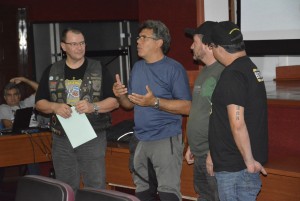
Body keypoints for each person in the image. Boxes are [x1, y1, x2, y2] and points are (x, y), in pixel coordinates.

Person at [113, 20, 191, 201]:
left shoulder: (174, 69)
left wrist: (154, 102)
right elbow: (129, 104)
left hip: (166, 138)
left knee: (167, 193)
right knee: (142, 192)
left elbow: (187, 107)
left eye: (143, 37)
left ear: (159, 42)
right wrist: (120, 95)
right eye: (138, 37)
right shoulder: (137, 68)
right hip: (140, 139)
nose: (138, 41)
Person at [35, 27, 119, 192]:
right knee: (65, 187)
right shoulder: (52, 70)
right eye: (74, 44)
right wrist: (54, 106)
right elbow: (39, 103)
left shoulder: (99, 68)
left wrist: (93, 106)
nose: (79, 47)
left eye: (82, 43)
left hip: (92, 136)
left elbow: (114, 102)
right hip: (62, 138)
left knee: (95, 186)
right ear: (63, 46)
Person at [206, 21, 268, 201]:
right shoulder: (249, 67)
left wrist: (249, 162)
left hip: (235, 169)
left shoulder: (232, 75)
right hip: (238, 164)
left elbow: (237, 123)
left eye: (212, 46)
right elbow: (224, 121)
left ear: (219, 48)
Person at [184, 21, 224, 201]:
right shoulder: (204, 72)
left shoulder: (223, 72)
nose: (191, 46)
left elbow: (222, 117)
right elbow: (201, 109)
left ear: (207, 45)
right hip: (200, 153)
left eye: (195, 42)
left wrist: (212, 152)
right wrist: (192, 144)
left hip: (213, 155)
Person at [0, 77, 40, 175]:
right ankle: (35, 182)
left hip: (34, 136)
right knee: (31, 151)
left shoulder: (26, 103)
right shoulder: (4, 107)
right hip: (16, 142)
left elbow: (41, 89)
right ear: (5, 98)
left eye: (15, 94)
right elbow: (8, 125)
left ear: (19, 96)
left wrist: (25, 80)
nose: (12, 98)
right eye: (9, 95)